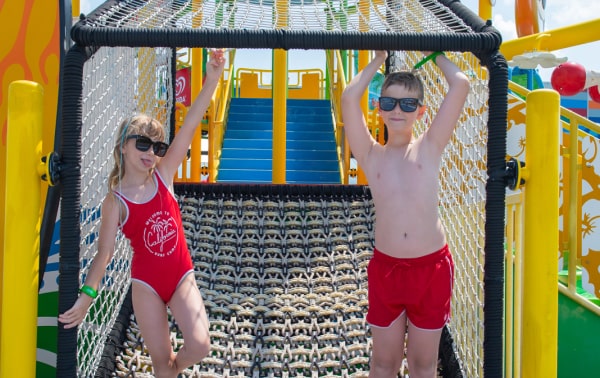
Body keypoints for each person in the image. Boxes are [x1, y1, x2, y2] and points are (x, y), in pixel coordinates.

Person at [58, 49, 227, 378]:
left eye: (157, 147)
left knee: (200, 344)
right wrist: (86, 297)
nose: (151, 153)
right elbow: (103, 255)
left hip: (180, 277)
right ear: (123, 146)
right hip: (146, 285)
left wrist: (213, 78)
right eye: (142, 144)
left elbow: (191, 122)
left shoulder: (164, 177)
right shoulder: (115, 201)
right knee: (160, 364)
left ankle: (173, 371)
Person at [341, 50, 470, 378]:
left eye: (408, 104)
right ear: (378, 108)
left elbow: (460, 84)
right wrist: (379, 57)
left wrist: (434, 52)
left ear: (421, 112)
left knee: (422, 365)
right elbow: (348, 96)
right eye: (389, 103)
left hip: (431, 269)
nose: (397, 110)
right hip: (387, 271)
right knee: (384, 363)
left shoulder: (430, 146)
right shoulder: (371, 154)